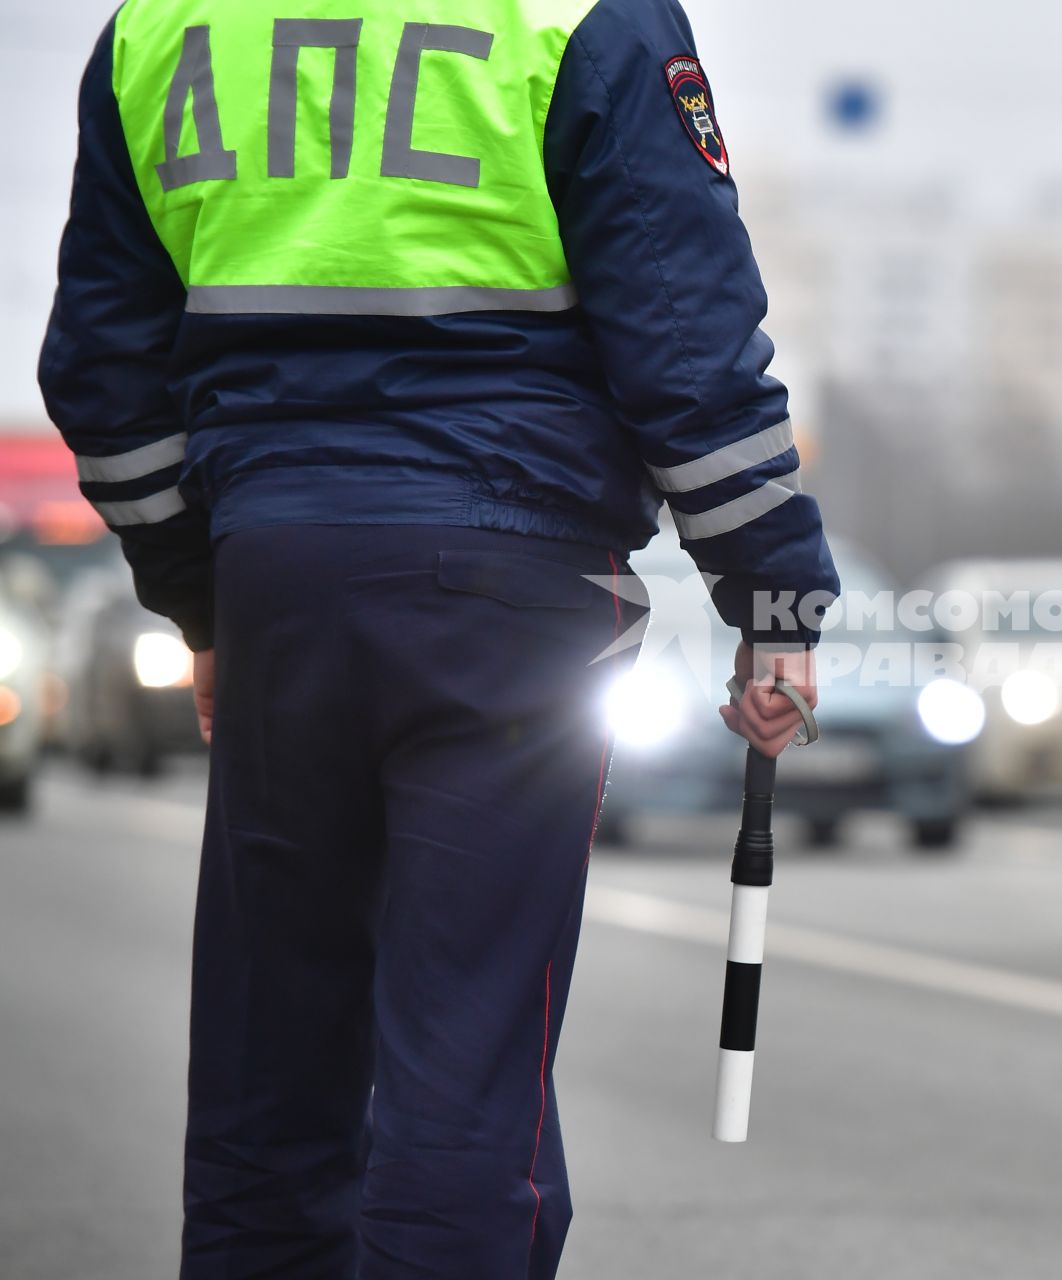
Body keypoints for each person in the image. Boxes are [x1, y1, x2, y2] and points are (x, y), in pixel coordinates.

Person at [39, 0, 837, 1276]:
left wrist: (203, 596)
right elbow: (685, 343)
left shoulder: (165, 29)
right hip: (511, 595)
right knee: (466, 1066)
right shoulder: (583, 17)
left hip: (279, 580)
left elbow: (97, 371)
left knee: (267, 1072)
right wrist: (774, 595)